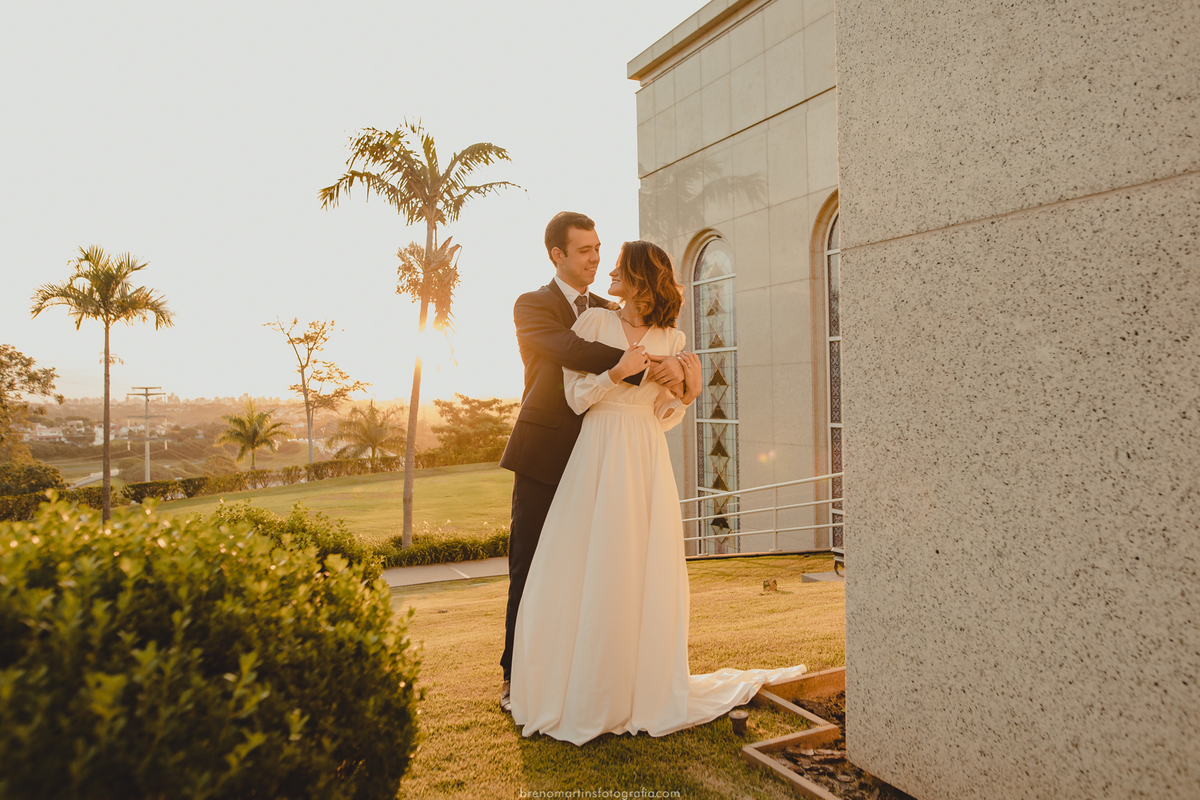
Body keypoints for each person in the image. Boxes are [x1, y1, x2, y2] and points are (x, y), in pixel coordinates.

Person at [509, 240, 806, 745]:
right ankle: (575, 688)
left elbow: (665, 415)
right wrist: (617, 372)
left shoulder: (675, 336)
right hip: (596, 453)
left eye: (619, 265)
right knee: (586, 564)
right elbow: (576, 397)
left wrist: (686, 394)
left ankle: (635, 688)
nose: (609, 270)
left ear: (641, 281)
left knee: (638, 567)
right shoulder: (594, 324)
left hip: (644, 456)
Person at [498, 212, 685, 713]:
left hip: (605, 457)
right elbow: (568, 349)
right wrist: (641, 366)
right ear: (557, 255)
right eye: (584, 250)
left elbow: (648, 344)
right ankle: (517, 676)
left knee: (596, 568)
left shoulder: (609, 308)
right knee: (532, 566)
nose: (595, 258)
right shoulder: (532, 305)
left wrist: (682, 367)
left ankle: (587, 671)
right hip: (545, 452)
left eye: (599, 248)